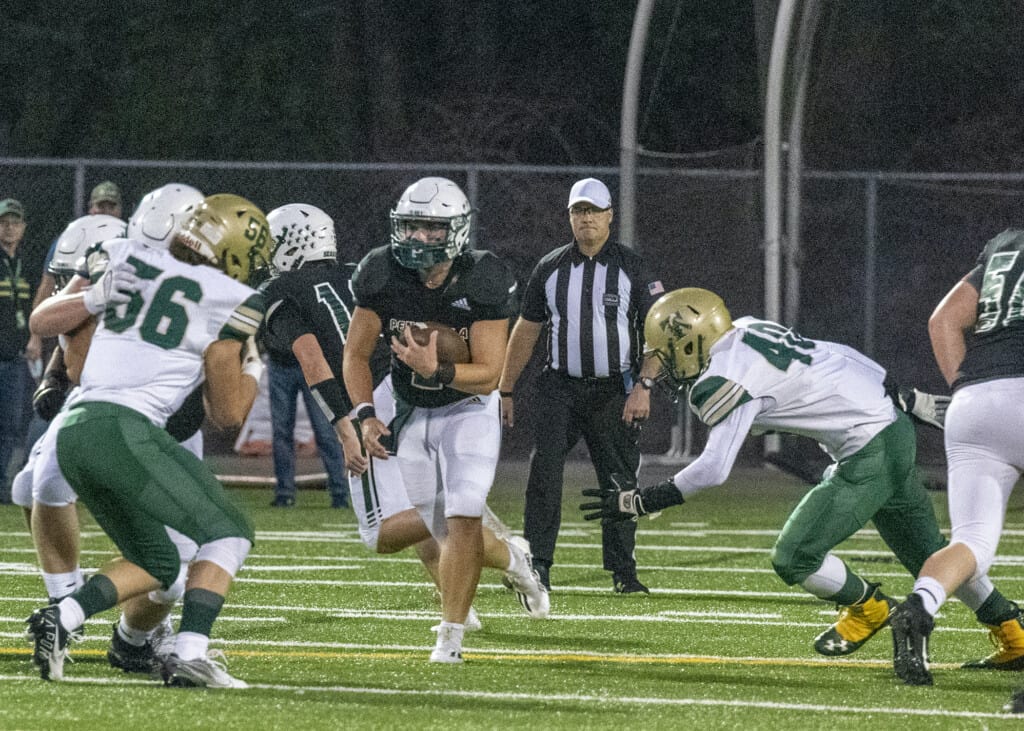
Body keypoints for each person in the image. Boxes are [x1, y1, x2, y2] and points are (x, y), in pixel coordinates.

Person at [581, 287, 1024, 662]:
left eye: (668, 354)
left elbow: (714, 470)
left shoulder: (720, 380)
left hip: (868, 447)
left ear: (691, 342)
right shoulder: (749, 327)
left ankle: (869, 608)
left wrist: (643, 500)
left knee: (793, 556)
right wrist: (896, 390)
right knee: (931, 554)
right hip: (891, 426)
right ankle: (1014, 634)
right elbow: (832, 352)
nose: (667, 367)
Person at [23, 193, 271, 688]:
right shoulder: (234, 299)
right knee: (229, 532)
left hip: (75, 430)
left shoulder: (127, 255)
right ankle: (191, 652)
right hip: (127, 430)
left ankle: (62, 617)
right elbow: (226, 413)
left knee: (157, 562)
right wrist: (253, 366)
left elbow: (50, 321)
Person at [344, 176, 547, 663]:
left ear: (455, 232)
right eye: (410, 227)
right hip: (407, 399)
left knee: (458, 520)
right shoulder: (381, 272)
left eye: (430, 229)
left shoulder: (483, 278)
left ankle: (449, 638)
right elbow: (354, 354)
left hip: (465, 406)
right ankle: (515, 558)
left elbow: (491, 374)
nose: (417, 238)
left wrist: (440, 368)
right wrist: (366, 414)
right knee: (432, 525)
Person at [497, 178, 664, 594]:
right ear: (570, 216)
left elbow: (663, 329)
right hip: (560, 388)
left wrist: (644, 384)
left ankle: (623, 572)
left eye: (594, 210)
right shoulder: (549, 267)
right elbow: (527, 329)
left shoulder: (633, 266)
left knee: (620, 479)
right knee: (544, 475)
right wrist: (505, 388)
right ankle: (539, 566)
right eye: (579, 211)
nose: (586, 218)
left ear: (610, 215)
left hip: (615, 389)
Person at [890, 229, 1024, 699]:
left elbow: (944, 320)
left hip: (973, 401)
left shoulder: (1008, 244)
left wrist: (966, 388)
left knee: (973, 541)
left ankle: (920, 606)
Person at [261, 203, 350, 508]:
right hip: (286, 364)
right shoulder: (347, 276)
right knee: (287, 433)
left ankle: (340, 490)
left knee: (327, 430)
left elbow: (311, 352)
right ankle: (289, 492)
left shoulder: (286, 287)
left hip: (312, 366)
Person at [0, 198, 43, 504]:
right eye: (4, 222)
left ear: (24, 228)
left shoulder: (27, 263)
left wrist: (35, 338)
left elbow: (35, 307)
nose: (9, 228)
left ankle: (1, 482)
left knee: (11, 426)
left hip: (15, 357)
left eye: (15, 222)